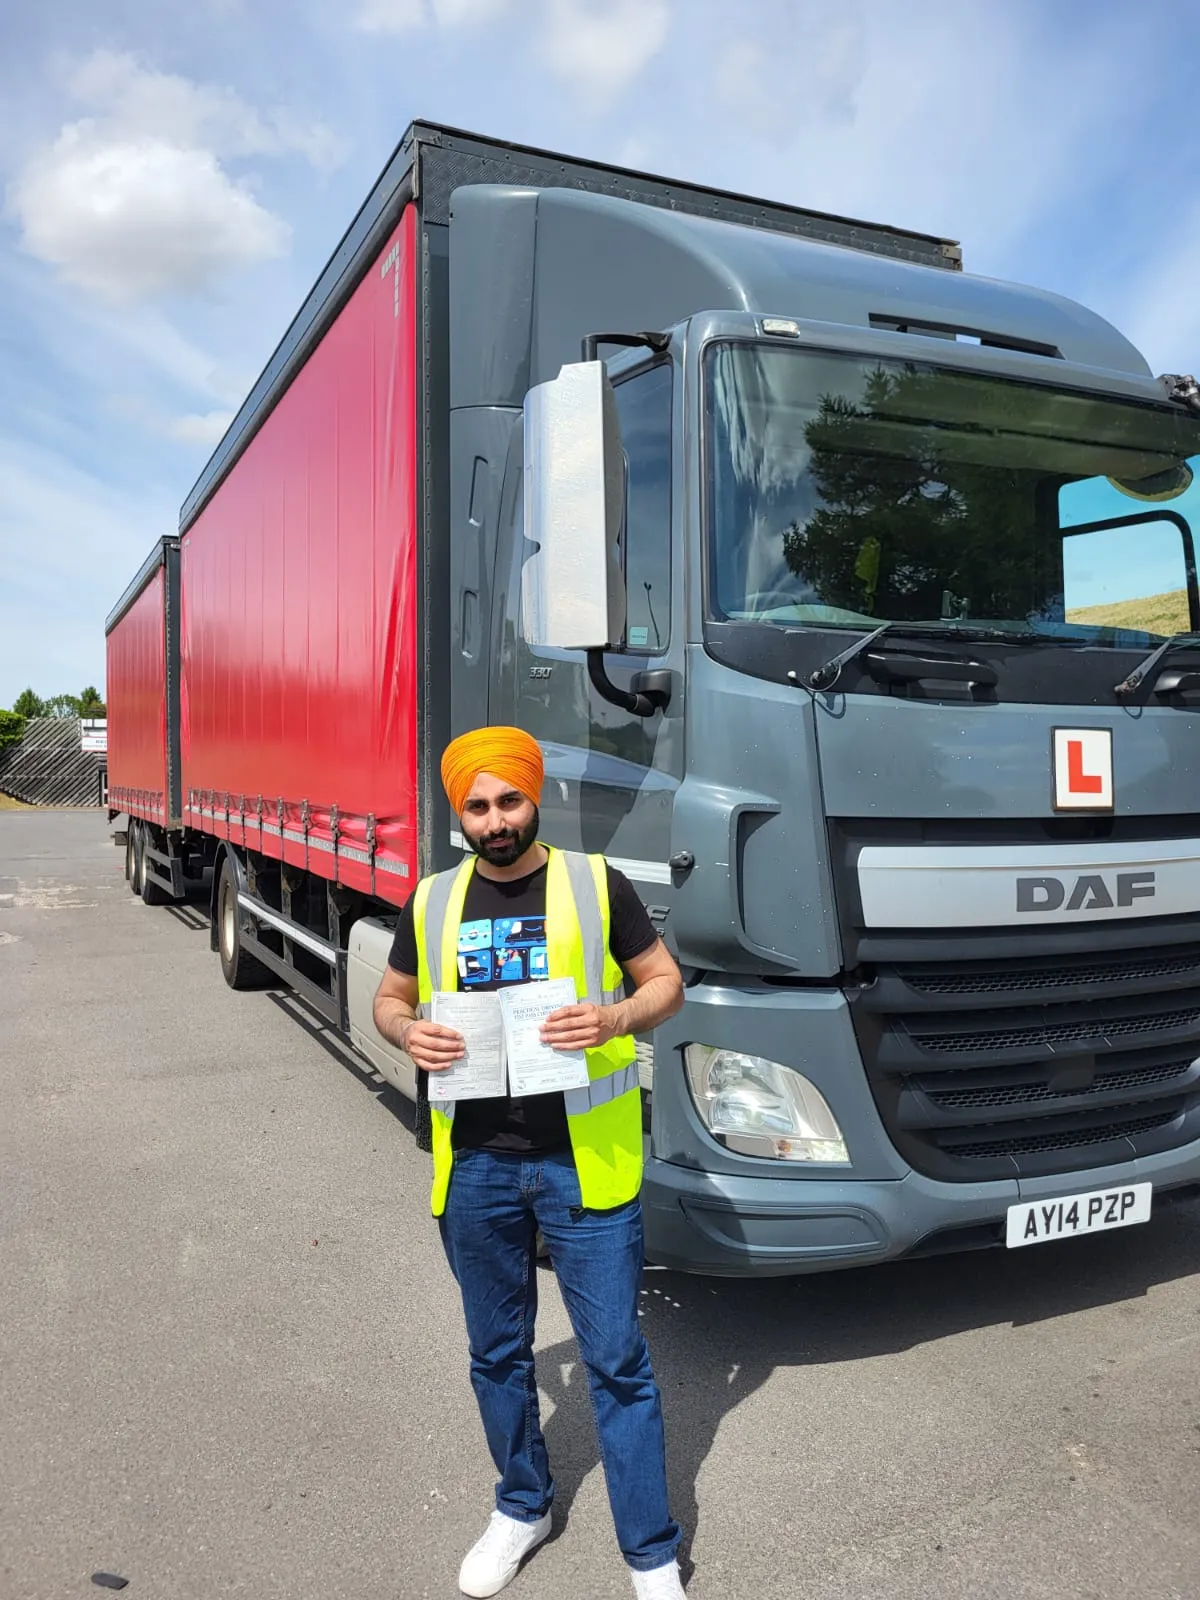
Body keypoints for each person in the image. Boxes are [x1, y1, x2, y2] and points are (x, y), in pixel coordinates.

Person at [374, 726, 687, 1599]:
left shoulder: (594, 884)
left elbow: (667, 982)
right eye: (477, 806)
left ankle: (651, 1554)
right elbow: (388, 999)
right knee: (497, 1354)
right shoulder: (433, 901)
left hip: (581, 1165)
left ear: (532, 796)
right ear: (458, 812)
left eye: (508, 800)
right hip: (474, 1167)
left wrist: (617, 1019)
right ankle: (523, 1506)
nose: (495, 819)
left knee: (618, 1362)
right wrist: (409, 1032)